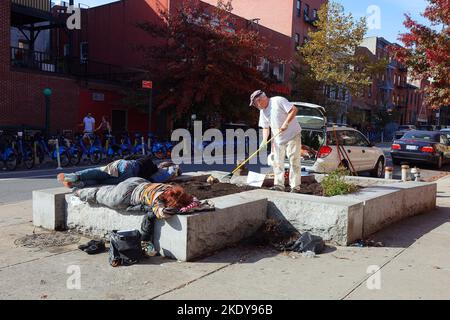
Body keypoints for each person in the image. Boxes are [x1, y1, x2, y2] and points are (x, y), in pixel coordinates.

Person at [249, 90, 302, 193]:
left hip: (292, 135)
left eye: (255, 104)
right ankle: (279, 185)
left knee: (294, 161)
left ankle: (295, 187)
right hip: (278, 139)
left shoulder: (278, 101)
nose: (256, 106)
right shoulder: (263, 111)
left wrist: (286, 123)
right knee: (277, 162)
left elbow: (294, 110)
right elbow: (265, 127)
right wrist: (264, 141)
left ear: (261, 100)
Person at [57, 156, 181, 188]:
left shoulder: (147, 159)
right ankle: (81, 184)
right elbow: (151, 180)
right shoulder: (157, 174)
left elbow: (129, 157)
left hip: (126, 165)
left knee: (99, 171)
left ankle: (76, 176)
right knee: (103, 181)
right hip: (129, 178)